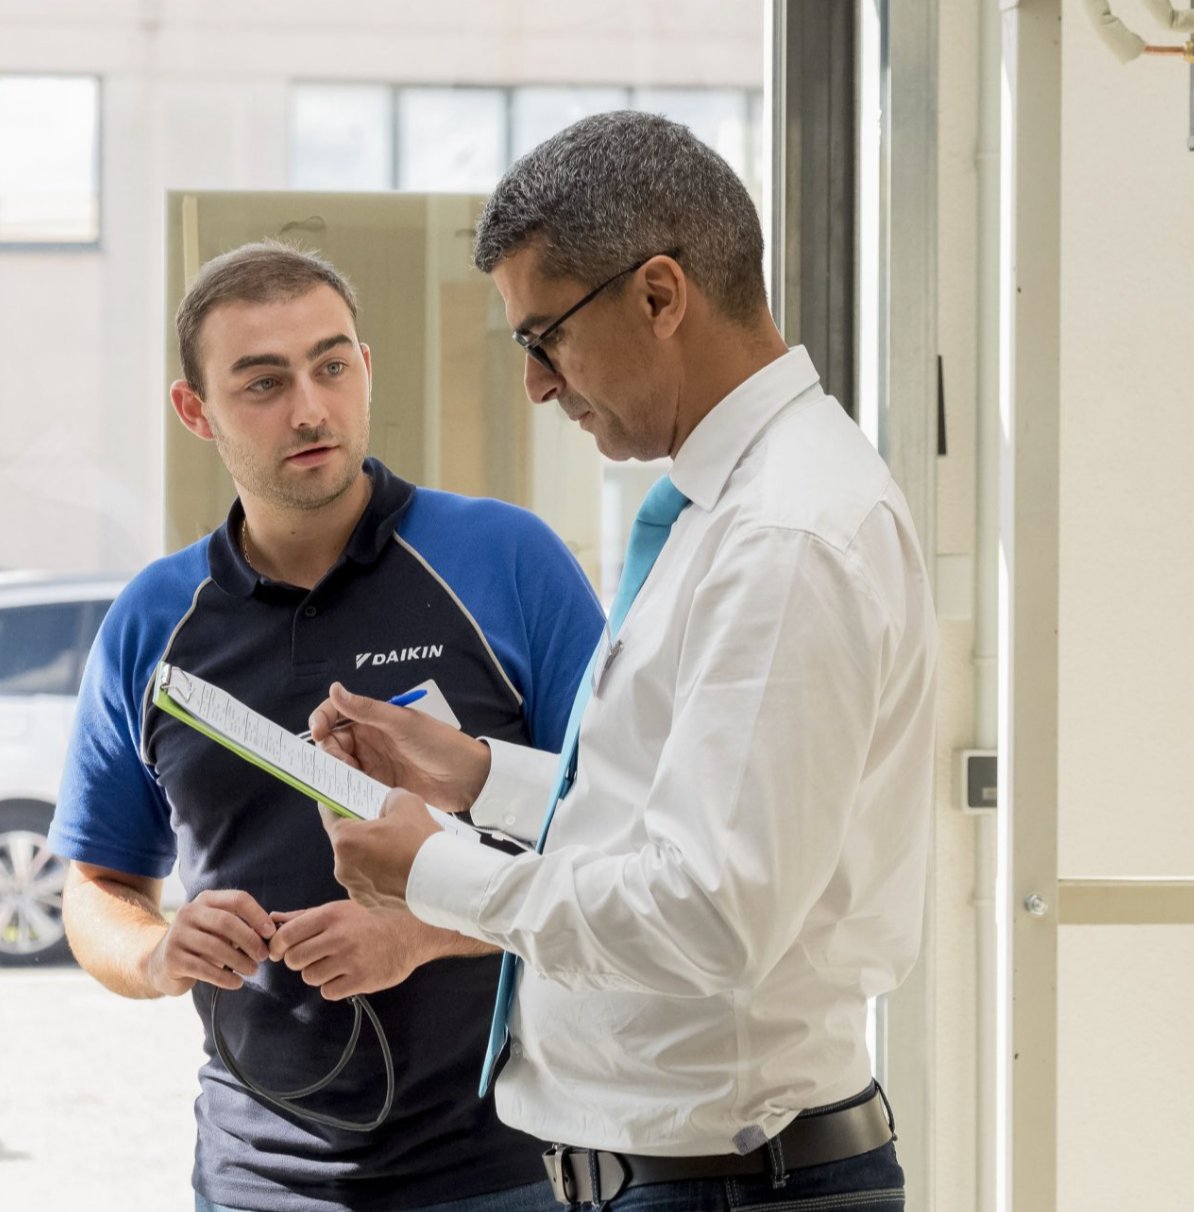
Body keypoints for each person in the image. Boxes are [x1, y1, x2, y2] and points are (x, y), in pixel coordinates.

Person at [314, 111, 938, 1212]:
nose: (536, 386)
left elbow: (710, 914)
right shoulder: (727, 508)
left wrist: (436, 874)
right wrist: (478, 778)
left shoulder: (783, 536)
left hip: (730, 1184)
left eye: (543, 337)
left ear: (658, 296)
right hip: (697, 1179)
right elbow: (674, 808)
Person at [49, 241, 604, 1212]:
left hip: (511, 1167)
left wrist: (421, 931)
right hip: (254, 1179)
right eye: (263, 383)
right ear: (196, 411)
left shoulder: (507, 561)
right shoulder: (151, 623)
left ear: (366, 369)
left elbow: (619, 848)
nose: (310, 408)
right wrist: (158, 951)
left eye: (332, 365)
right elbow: (98, 887)